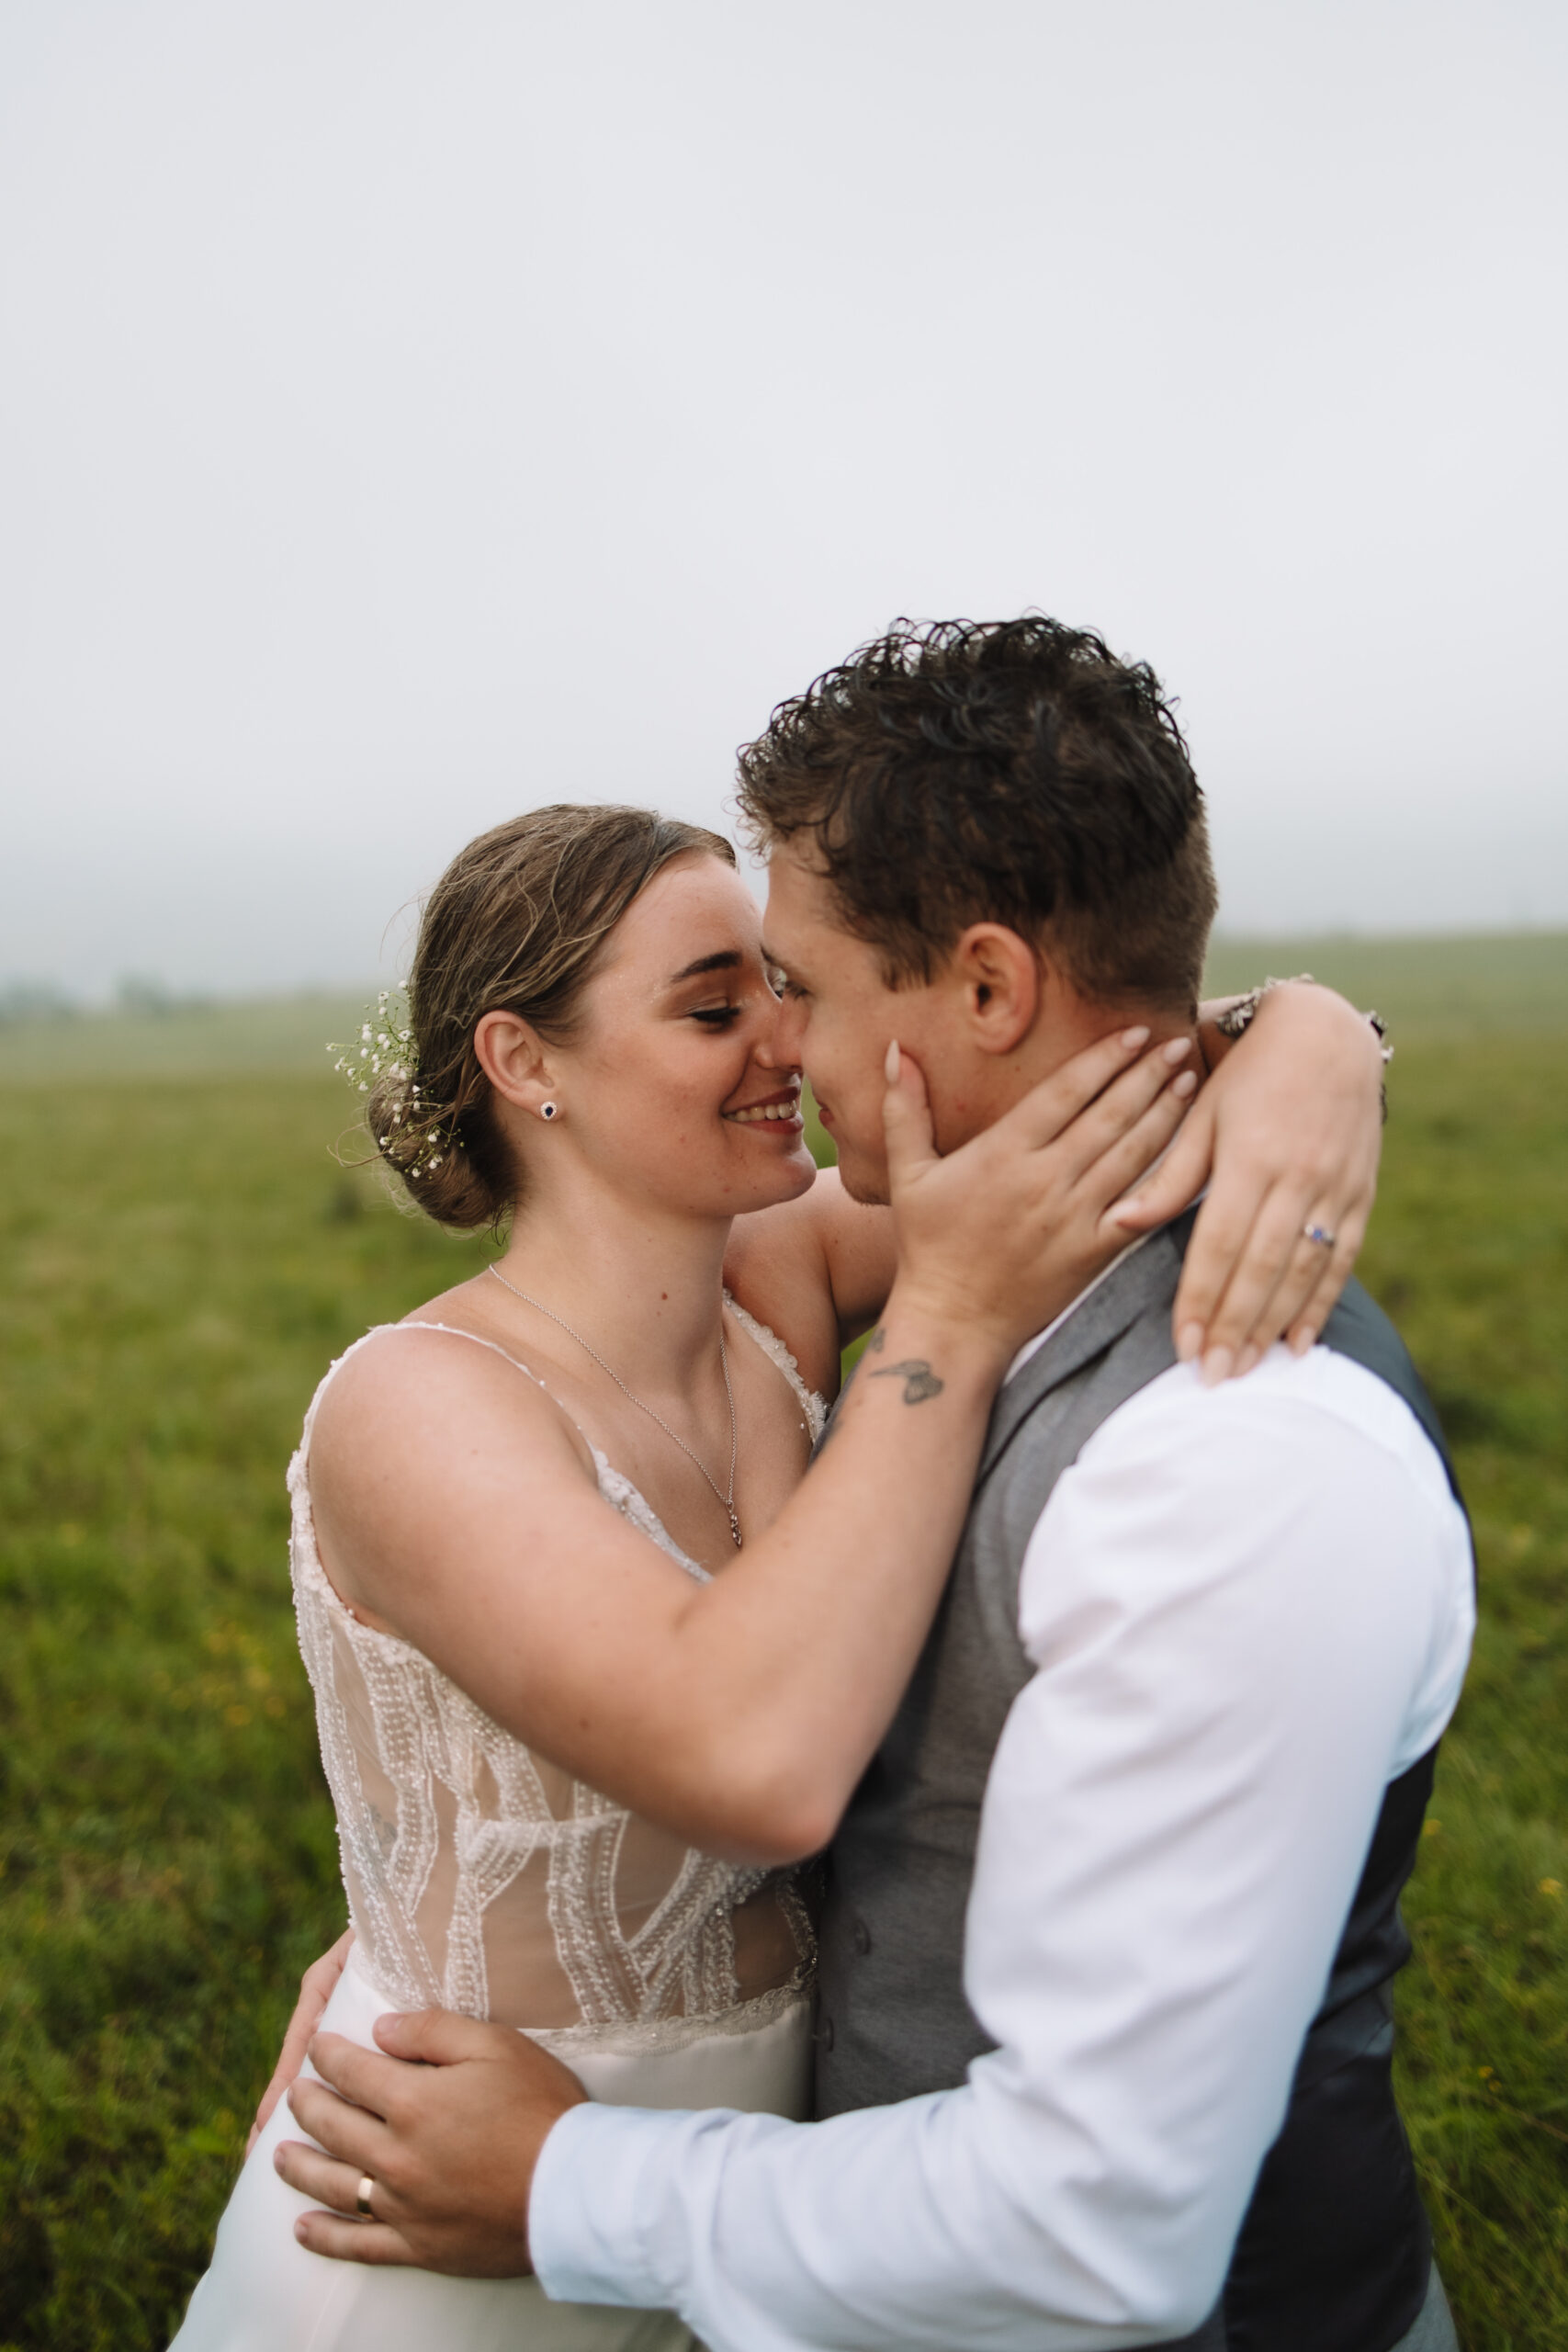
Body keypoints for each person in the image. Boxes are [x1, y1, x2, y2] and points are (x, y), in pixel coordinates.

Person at [270, 622, 1471, 2352]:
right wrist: (408, 1949)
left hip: (763, 2199)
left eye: (794, 986)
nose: (780, 1043)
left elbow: (1097, 1065)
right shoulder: (437, 1396)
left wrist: (1310, 1036)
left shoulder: (834, 1291)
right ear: (528, 1067)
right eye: (721, 1002)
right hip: (498, 2175)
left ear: (977, 988)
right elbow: (717, 1748)